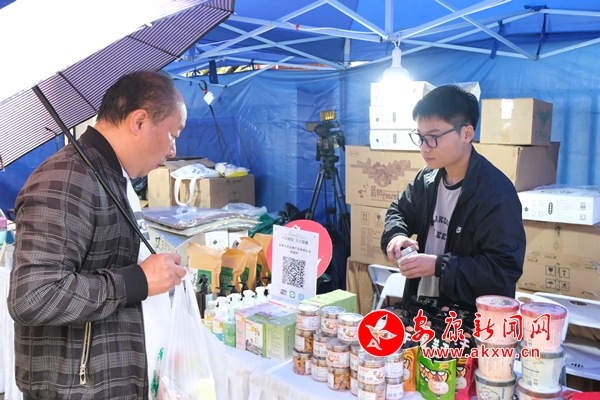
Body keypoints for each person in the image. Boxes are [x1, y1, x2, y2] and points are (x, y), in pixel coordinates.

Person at [8, 71, 188, 400]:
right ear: (139, 122)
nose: (173, 150)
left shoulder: (111, 176)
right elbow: (33, 296)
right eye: (172, 134)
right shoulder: (65, 179)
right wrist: (137, 281)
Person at [380, 85, 526, 310]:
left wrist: (440, 266)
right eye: (420, 137)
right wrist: (397, 236)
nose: (424, 147)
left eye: (433, 137)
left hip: (468, 316)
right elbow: (398, 210)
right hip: (422, 305)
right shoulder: (426, 178)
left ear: (467, 134)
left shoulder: (496, 194)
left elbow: (503, 269)